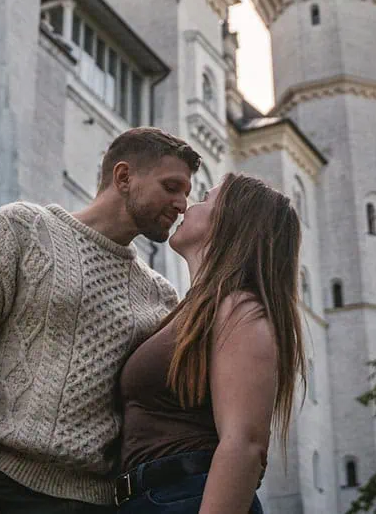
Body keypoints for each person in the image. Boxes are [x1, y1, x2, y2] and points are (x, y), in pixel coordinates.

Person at [0, 127, 201, 513]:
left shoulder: (161, 295)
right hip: (3, 491)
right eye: (172, 186)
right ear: (123, 177)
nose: (182, 204)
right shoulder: (20, 229)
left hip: (105, 504)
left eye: (186, 192)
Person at [114, 172, 306, 514]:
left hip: (185, 496)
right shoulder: (197, 308)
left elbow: (244, 446)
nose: (188, 206)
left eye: (204, 199)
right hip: (157, 496)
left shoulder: (239, 308)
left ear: (231, 223)